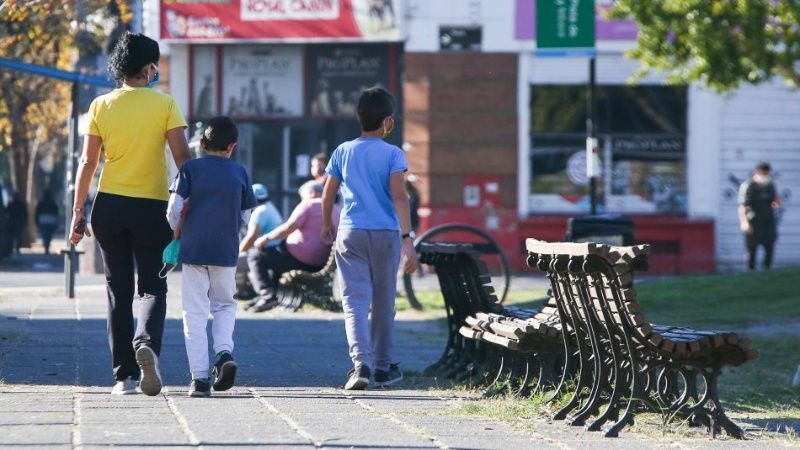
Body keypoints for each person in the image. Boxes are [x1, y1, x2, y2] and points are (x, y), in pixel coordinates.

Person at [69, 32, 192, 396]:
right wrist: (188, 207)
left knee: (117, 291)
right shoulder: (165, 104)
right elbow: (184, 160)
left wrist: (78, 213)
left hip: (108, 207)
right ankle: (147, 345)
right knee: (153, 286)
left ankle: (123, 376)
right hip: (152, 206)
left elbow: (88, 161)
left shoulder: (100, 105)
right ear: (148, 67)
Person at [321, 87, 418, 390]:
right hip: (386, 233)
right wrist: (408, 238)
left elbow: (328, 192)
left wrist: (327, 223)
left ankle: (360, 363)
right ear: (388, 121)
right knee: (384, 301)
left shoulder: (343, 151)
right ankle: (383, 367)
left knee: (354, 302)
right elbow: (400, 197)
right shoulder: (393, 153)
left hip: (350, 232)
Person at [167, 116, 257, 397]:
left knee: (193, 313)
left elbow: (173, 209)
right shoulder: (240, 173)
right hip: (225, 250)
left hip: (194, 250)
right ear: (232, 146)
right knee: (224, 306)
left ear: (202, 144)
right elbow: (246, 216)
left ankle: (200, 379)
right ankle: (223, 353)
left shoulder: (190, 169)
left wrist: (180, 228)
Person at [246, 180, 340, 313]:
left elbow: (288, 227)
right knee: (276, 254)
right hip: (320, 262)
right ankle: (272, 295)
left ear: (313, 193)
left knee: (255, 256)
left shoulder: (309, 204)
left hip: (299, 259)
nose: (301, 199)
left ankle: (266, 294)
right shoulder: (335, 208)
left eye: (302, 196)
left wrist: (264, 239)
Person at [239, 183, 283, 302]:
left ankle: (245, 292)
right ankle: (255, 293)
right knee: (249, 260)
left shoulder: (259, 212)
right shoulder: (269, 206)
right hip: (276, 249)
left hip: (269, 252)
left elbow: (251, 237)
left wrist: (239, 252)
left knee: (234, 263)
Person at [738, 162, 781, 270]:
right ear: (756, 172)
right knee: (751, 251)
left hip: (768, 222)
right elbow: (743, 206)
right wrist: (744, 222)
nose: (765, 175)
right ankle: (750, 274)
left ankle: (767, 273)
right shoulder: (749, 186)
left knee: (769, 249)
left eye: (766, 173)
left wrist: (777, 203)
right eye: (763, 173)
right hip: (754, 223)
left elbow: (775, 202)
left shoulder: (770, 185)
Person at [35, 190, 59, 255]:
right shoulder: (52, 202)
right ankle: (47, 247)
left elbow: (37, 212)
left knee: (44, 235)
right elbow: (56, 212)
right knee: (48, 235)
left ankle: (46, 247)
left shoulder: (41, 202)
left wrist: (37, 221)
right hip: (51, 221)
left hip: (42, 220)